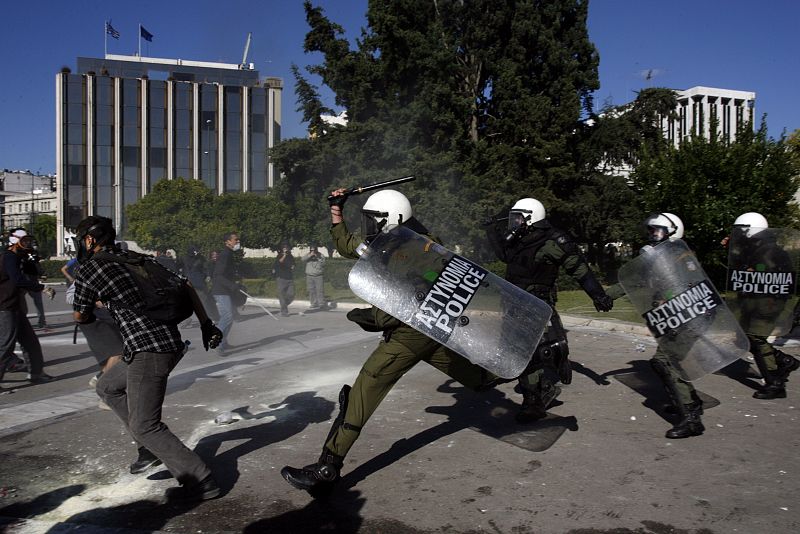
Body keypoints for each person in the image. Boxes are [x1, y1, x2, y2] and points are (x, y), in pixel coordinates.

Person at [281, 188, 506, 496]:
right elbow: (348, 245)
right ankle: (532, 368)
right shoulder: (391, 242)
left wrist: (368, 317)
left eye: (374, 220)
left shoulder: (417, 251)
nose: (369, 226)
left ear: (391, 219)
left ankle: (327, 467)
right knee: (476, 377)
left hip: (410, 332)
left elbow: (400, 304)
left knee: (366, 387)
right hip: (429, 330)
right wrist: (336, 210)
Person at [71, 215, 223, 502]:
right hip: (163, 343)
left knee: (145, 424)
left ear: (89, 240)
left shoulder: (91, 268)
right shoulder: (137, 259)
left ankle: (200, 479)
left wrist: (95, 309)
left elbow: (80, 314)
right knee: (107, 387)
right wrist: (206, 324)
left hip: (149, 351)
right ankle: (150, 448)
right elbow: (187, 285)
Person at [485, 198, 613, 423]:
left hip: (537, 303)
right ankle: (542, 387)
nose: (514, 222)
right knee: (517, 352)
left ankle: (535, 398)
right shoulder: (520, 238)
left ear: (531, 217)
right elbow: (505, 255)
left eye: (518, 217)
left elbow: (578, 268)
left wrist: (598, 295)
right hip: (514, 302)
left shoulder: (553, 240)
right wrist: (491, 230)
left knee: (531, 352)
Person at [607, 213, 706, 439]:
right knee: (670, 364)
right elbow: (634, 281)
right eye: (651, 231)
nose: (652, 236)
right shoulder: (661, 259)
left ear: (672, 232)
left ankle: (691, 420)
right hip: (674, 319)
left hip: (688, 320)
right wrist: (604, 296)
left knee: (666, 363)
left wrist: (667, 297)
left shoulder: (682, 258)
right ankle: (691, 402)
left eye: (657, 231)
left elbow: (687, 288)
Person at [725, 212, 800, 399]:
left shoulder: (768, 251)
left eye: (742, 230)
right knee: (747, 338)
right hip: (756, 301)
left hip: (767, 302)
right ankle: (784, 361)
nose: (739, 234)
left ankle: (775, 383)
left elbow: (763, 276)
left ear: (752, 231)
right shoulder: (756, 247)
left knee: (756, 338)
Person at [1, 231, 54, 386]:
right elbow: (17, 280)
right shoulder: (8, 257)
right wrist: (41, 287)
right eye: (24, 241)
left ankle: (36, 373)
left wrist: (33, 261)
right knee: (5, 345)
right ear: (14, 241)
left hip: (15, 306)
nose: (28, 244)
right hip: (6, 306)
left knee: (30, 342)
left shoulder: (18, 257)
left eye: (29, 241)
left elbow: (33, 272)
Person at [211, 232, 241, 354]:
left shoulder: (229, 254)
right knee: (227, 316)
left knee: (229, 317)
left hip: (226, 290)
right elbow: (218, 275)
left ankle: (223, 342)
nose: (237, 242)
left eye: (238, 240)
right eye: (235, 240)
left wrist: (235, 282)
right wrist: (232, 285)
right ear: (227, 242)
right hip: (220, 290)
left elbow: (227, 273)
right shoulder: (225, 255)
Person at [301, 244, 327, 311]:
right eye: (311, 250)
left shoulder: (320, 255)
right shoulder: (308, 254)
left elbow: (323, 263)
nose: (313, 251)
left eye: (314, 250)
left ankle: (321, 304)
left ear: (316, 249)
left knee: (320, 290)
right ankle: (313, 303)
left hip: (318, 276)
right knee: (311, 290)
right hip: (309, 276)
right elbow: (302, 259)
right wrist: (310, 255)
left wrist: (317, 258)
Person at [273, 242, 295, 316]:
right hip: (281, 278)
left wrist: (293, 266)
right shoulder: (279, 255)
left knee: (291, 295)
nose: (286, 249)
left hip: (289, 278)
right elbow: (279, 263)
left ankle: (284, 305)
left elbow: (293, 264)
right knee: (281, 295)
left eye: (287, 247)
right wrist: (284, 255)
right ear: (282, 249)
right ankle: (284, 311)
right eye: (284, 248)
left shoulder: (291, 256)